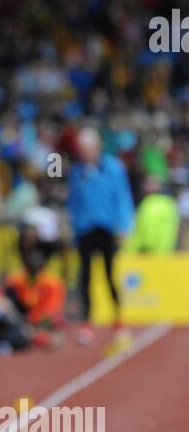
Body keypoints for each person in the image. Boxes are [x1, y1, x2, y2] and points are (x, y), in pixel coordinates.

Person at [67, 127, 134, 343]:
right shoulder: (76, 171)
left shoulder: (113, 167)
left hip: (108, 228)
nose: (84, 153)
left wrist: (124, 225)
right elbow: (73, 201)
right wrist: (74, 226)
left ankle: (118, 321)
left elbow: (122, 197)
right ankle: (87, 323)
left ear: (97, 147)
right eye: (81, 149)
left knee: (110, 276)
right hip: (85, 229)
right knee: (85, 277)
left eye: (88, 148)